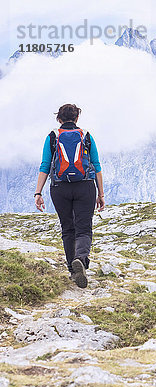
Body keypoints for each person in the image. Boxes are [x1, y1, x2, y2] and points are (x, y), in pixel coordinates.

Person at [34, 104, 105, 288]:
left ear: (59, 119)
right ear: (77, 118)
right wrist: (101, 194)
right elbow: (96, 165)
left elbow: (45, 166)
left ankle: (73, 272)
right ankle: (80, 258)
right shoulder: (86, 135)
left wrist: (38, 192)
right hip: (85, 186)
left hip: (59, 188)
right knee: (83, 228)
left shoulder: (52, 137)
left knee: (68, 229)